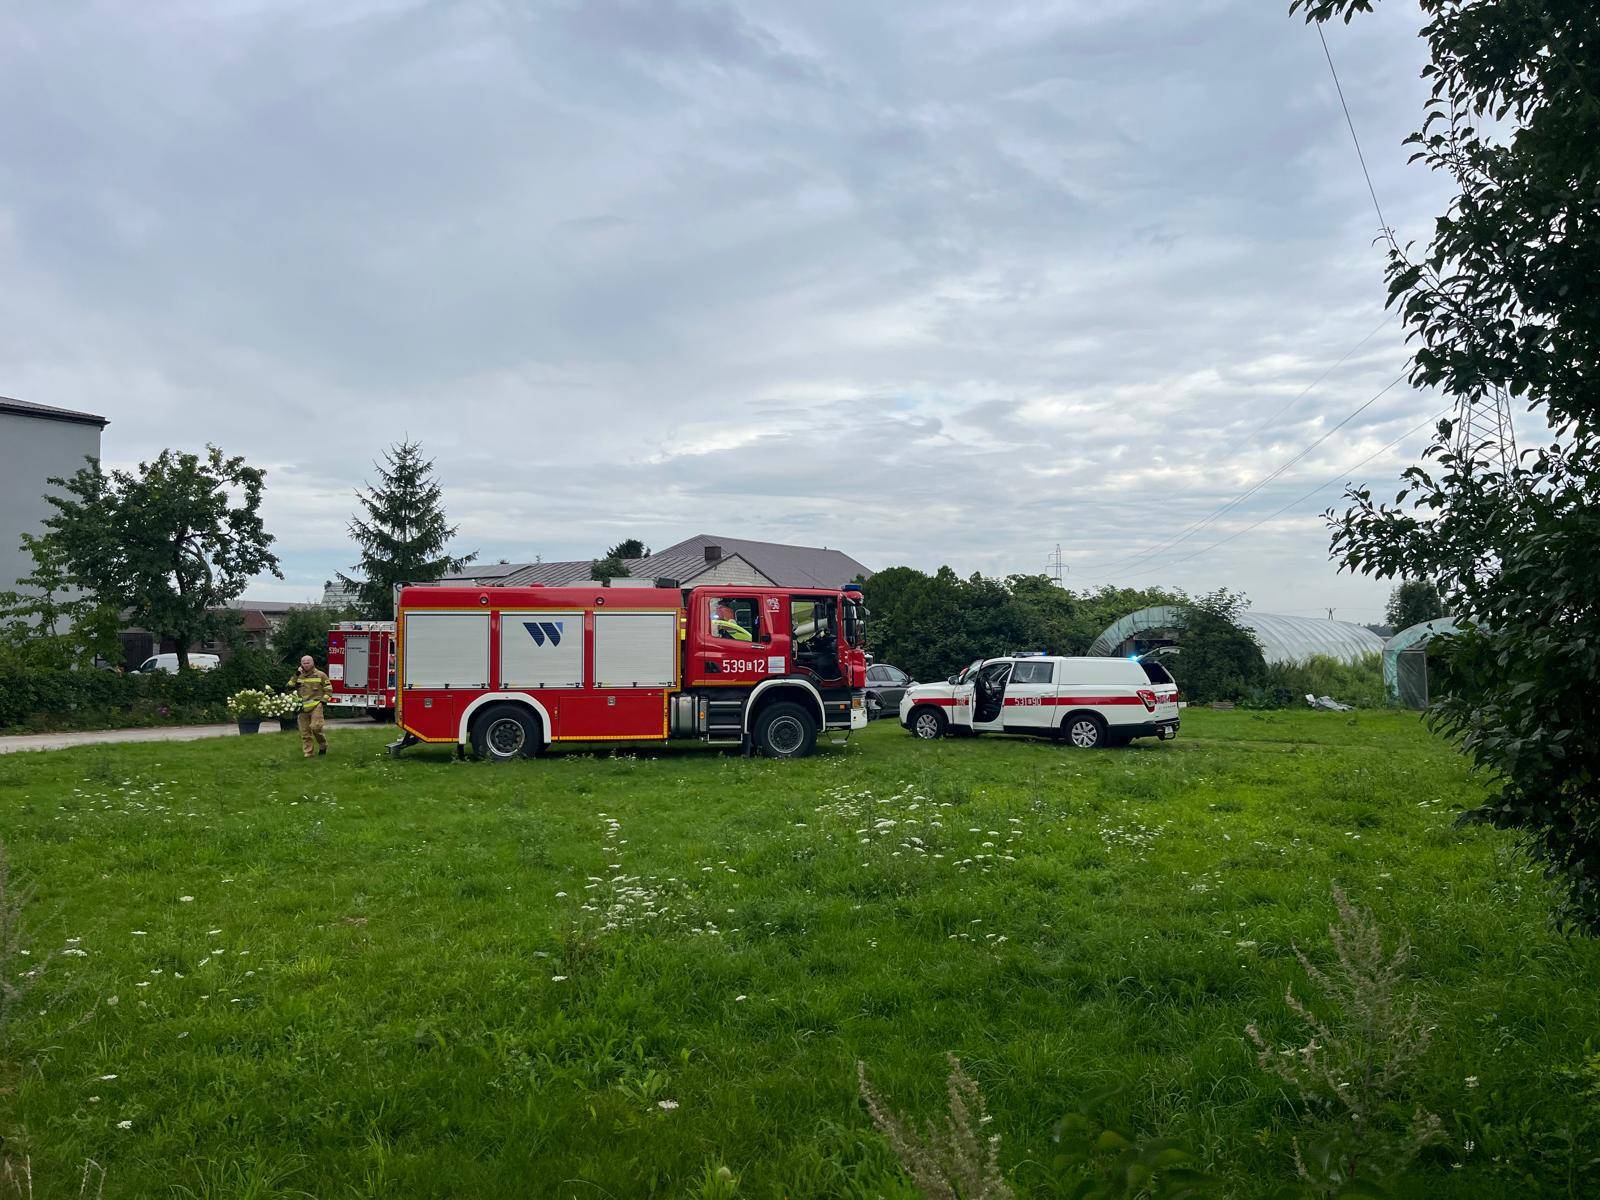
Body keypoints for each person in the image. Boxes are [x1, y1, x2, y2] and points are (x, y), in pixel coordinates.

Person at [288, 654, 333, 758]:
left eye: (308, 663)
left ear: (312, 663)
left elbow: (328, 690)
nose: (306, 665)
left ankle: (323, 745)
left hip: (316, 705)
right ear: (301, 664)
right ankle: (308, 754)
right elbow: (289, 686)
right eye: (304, 663)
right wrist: (296, 674)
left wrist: (322, 702)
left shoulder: (321, 675)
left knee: (316, 727)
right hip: (302, 707)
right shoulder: (298, 675)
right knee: (305, 732)